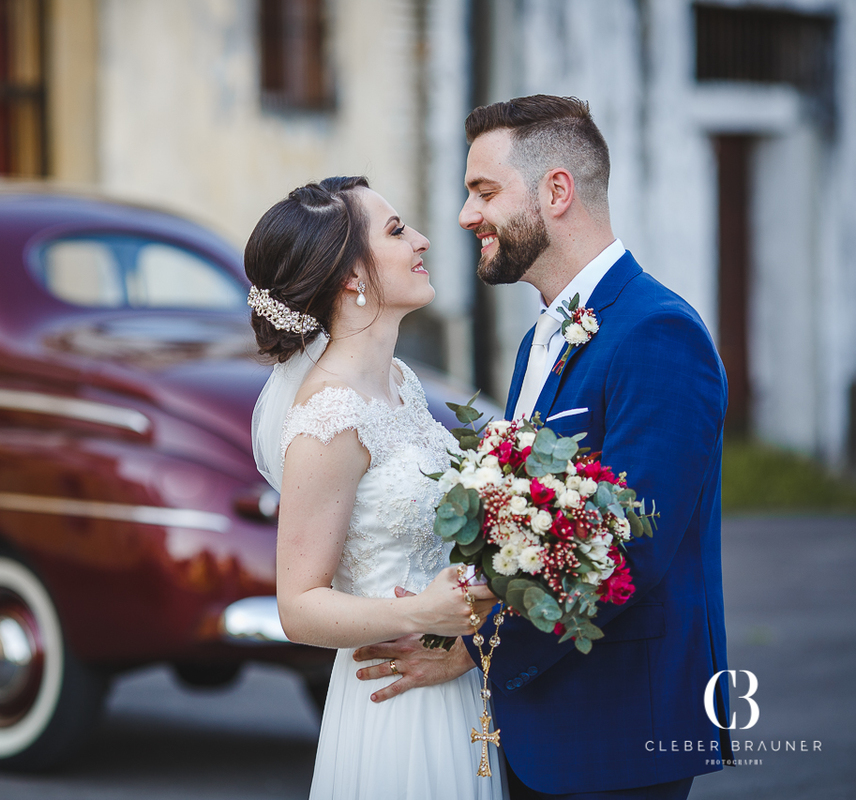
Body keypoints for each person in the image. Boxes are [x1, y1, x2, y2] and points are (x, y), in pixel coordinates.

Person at [352, 95, 733, 799]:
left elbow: (627, 549)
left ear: (557, 191)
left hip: (615, 728)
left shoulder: (658, 333)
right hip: (534, 728)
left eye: (485, 192)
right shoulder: (539, 338)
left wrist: (477, 650)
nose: (467, 216)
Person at [246, 176, 505, 800]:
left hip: (454, 683)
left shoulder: (400, 381)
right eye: (395, 231)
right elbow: (298, 606)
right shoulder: (327, 417)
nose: (420, 240)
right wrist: (421, 612)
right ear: (350, 279)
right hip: (394, 700)